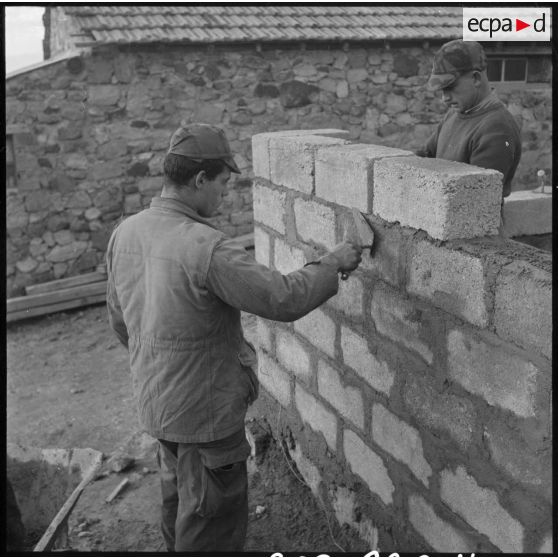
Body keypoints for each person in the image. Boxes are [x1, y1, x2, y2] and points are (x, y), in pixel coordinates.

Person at [105, 123, 363, 552]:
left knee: (179, 501)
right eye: (222, 184)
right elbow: (281, 298)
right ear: (199, 179)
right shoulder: (207, 247)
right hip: (205, 417)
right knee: (213, 523)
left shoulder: (126, 232)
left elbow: (120, 322)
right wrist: (332, 262)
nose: (224, 196)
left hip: (158, 405)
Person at [416, 39, 522, 199]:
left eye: (450, 87)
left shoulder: (497, 129)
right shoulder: (455, 113)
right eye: (442, 90)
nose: (444, 98)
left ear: (476, 78)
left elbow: (475, 200)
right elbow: (424, 156)